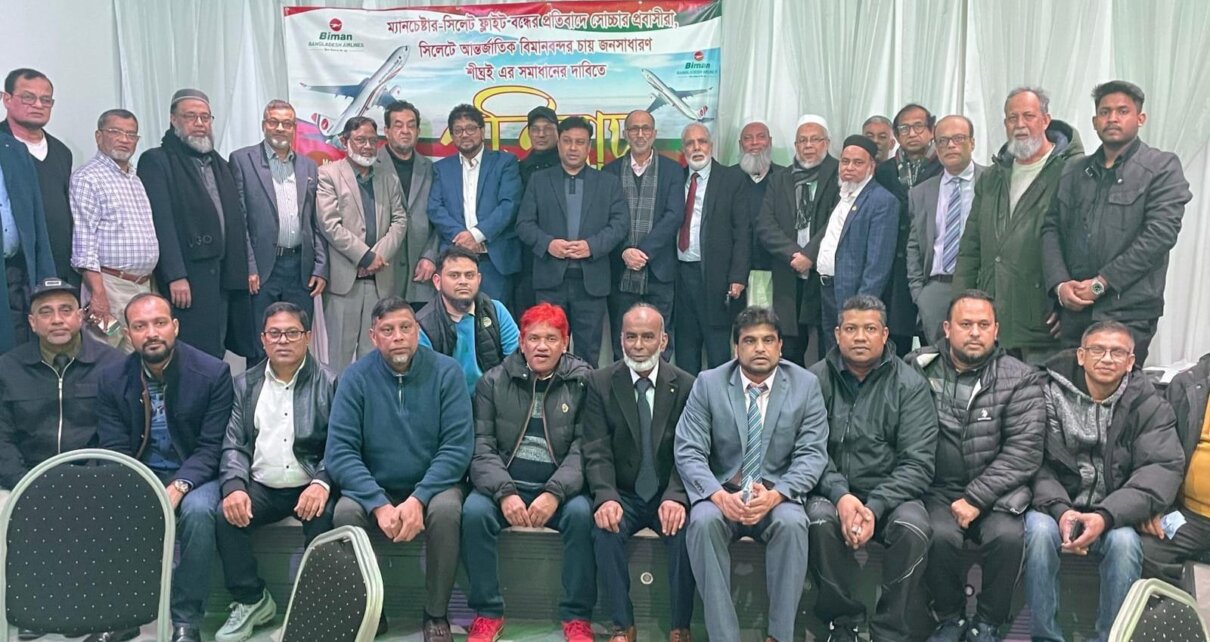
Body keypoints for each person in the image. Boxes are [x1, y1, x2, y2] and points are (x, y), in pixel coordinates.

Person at [675, 306, 829, 642]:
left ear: (780, 346)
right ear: (736, 348)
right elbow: (688, 449)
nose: (759, 348)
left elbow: (812, 454)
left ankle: (779, 635)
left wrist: (776, 495)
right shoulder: (709, 383)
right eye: (749, 341)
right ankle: (723, 637)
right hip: (723, 492)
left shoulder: (805, 386)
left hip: (777, 494)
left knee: (793, 524)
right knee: (702, 521)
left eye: (767, 340)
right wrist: (718, 496)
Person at [324, 296, 472, 642]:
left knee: (447, 511)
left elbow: (457, 448)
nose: (398, 337)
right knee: (344, 512)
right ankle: (371, 611)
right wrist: (378, 504)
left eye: (406, 327)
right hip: (375, 485)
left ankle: (435, 613)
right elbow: (340, 452)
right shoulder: (354, 377)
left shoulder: (447, 372)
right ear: (373, 336)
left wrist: (419, 499)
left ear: (417, 330)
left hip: (434, 484)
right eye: (387, 330)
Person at [1025, 321, 1184, 642]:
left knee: (1125, 544)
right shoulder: (1045, 394)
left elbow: (1160, 468)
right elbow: (1033, 462)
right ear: (1081, 355)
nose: (1107, 358)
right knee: (1038, 534)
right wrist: (1060, 510)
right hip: (1054, 506)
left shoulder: (1148, 404)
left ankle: (1112, 637)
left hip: (1114, 511)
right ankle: (1045, 636)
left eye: (1117, 352)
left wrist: (1106, 515)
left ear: (1131, 361)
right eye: (1098, 350)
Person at [904, 291, 1044, 642]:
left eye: (984, 324)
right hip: (936, 488)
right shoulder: (917, 366)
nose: (975, 332)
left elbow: (1024, 451)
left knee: (1008, 538)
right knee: (938, 536)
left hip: (998, 491)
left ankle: (987, 623)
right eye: (966, 324)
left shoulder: (1021, 377)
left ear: (996, 330)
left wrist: (976, 497)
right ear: (947, 328)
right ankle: (949, 618)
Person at [95, 293, 234, 642]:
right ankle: (123, 614)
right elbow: (114, 448)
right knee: (111, 501)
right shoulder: (112, 378)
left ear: (175, 326)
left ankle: (186, 619)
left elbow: (211, 447)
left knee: (199, 512)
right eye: (141, 326)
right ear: (129, 334)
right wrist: (141, 486)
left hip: (195, 473)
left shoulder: (212, 372)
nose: (152, 333)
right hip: (141, 472)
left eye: (159, 323)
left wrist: (180, 485)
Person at [461, 303, 596, 642]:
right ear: (521, 343)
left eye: (551, 339)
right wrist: (504, 492)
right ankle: (488, 612)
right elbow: (481, 447)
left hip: (560, 489)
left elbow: (585, 449)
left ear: (565, 343)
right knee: (473, 512)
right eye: (534, 338)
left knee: (582, 515)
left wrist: (554, 492)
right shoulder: (493, 382)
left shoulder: (584, 382)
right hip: (505, 485)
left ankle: (576, 616)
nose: (542, 347)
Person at [807, 295, 938, 642]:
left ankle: (889, 630)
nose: (860, 337)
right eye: (851, 329)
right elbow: (809, 451)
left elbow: (918, 463)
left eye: (869, 329)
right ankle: (841, 623)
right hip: (829, 491)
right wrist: (841, 496)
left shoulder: (910, 384)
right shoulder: (814, 380)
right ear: (837, 334)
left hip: (893, 496)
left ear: (885, 334)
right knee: (817, 521)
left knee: (913, 528)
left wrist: (875, 505)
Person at [1041, 81, 1191, 366]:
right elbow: (1051, 228)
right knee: (1069, 388)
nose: (1112, 118)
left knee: (1120, 389)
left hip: (1129, 311)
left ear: (1140, 118)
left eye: (1122, 111)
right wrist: (1060, 286)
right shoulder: (1074, 170)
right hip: (1075, 311)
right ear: (1094, 121)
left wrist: (1102, 283)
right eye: (1105, 112)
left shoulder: (1161, 167)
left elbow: (1159, 236)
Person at [213, 302, 338, 642]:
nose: (283, 340)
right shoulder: (244, 384)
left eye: (292, 333)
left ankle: (312, 610)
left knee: (327, 521)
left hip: (310, 483)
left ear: (308, 337)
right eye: (275, 333)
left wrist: (322, 481)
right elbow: (234, 443)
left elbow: (341, 444)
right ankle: (252, 599)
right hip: (263, 485)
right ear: (263, 339)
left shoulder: (331, 382)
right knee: (225, 515)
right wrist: (234, 486)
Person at [583, 303, 696, 642]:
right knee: (604, 529)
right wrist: (606, 496)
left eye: (647, 337)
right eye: (630, 337)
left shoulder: (687, 385)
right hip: (624, 493)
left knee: (686, 531)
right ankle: (622, 625)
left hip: (666, 491)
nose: (638, 345)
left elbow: (691, 451)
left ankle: (680, 627)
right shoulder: (600, 382)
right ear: (620, 340)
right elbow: (596, 449)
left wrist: (677, 496)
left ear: (663, 340)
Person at [954, 86, 1084, 366]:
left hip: (1044, 323)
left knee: (1040, 393)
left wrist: (1066, 308)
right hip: (993, 323)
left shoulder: (1072, 171)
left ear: (1046, 120)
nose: (1020, 125)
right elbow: (971, 247)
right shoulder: (992, 177)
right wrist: (960, 305)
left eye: (1029, 116)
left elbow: (1083, 246)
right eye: (1012, 118)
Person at [139, 88, 253, 359]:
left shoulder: (219, 163)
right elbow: (162, 223)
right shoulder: (157, 161)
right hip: (187, 279)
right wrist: (175, 275)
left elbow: (237, 220)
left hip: (221, 277)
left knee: (215, 349)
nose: (200, 124)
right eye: (191, 117)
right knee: (188, 352)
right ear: (173, 120)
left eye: (205, 117)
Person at [516, 116, 629, 366]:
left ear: (589, 147)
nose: (573, 148)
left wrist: (592, 246)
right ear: (558, 144)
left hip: (592, 282)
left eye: (580, 142)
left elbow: (620, 224)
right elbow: (524, 224)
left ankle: (585, 392)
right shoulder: (540, 180)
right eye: (567, 141)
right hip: (550, 281)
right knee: (547, 349)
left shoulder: (607, 183)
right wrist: (548, 244)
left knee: (589, 353)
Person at [0, 278, 123, 498]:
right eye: (45, 312)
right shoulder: (7, 368)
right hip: (21, 483)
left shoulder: (113, 365)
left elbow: (118, 438)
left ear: (80, 316)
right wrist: (24, 484)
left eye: (66, 310)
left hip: (96, 483)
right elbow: (2, 439)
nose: (57, 320)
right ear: (32, 322)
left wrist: (95, 480)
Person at [229, 100, 326, 362]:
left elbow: (315, 221)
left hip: (300, 269)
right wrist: (249, 266)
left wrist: (320, 267)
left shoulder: (308, 166)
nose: (280, 128)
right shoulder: (242, 160)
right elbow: (239, 220)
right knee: (261, 344)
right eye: (274, 122)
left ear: (294, 128)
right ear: (264, 125)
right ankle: (259, 389)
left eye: (286, 123)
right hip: (262, 269)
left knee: (297, 341)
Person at [316, 116, 407, 371]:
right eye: (360, 140)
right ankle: (339, 399)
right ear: (345, 141)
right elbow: (329, 224)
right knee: (339, 361)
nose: (367, 146)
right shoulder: (328, 174)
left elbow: (400, 221)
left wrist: (377, 257)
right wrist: (365, 256)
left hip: (380, 282)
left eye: (372, 140)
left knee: (376, 358)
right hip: (345, 283)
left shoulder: (388, 178)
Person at [70, 109, 159, 351]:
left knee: (137, 355)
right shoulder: (88, 178)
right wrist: (98, 294)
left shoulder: (135, 179)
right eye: (116, 132)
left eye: (131, 134)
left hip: (142, 286)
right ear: (98, 136)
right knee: (107, 352)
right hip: (109, 287)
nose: (124, 139)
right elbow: (84, 240)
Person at [754, 114, 840, 365]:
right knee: (790, 346)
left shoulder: (839, 174)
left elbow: (836, 221)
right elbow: (765, 224)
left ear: (827, 143)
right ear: (796, 145)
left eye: (815, 139)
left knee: (827, 343)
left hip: (823, 272)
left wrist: (809, 255)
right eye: (803, 140)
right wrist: (794, 254)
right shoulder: (781, 178)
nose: (808, 145)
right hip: (788, 271)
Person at [602, 110, 683, 362]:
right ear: (625, 134)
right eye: (634, 129)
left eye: (645, 128)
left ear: (654, 134)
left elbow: (673, 216)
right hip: (621, 271)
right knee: (623, 340)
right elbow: (605, 219)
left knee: (660, 341)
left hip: (659, 272)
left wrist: (643, 252)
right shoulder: (609, 172)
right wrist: (625, 251)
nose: (640, 134)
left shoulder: (672, 170)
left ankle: (659, 386)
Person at [428, 104, 522, 307]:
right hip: (454, 260)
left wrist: (477, 235)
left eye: (470, 128)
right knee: (456, 320)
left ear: (482, 130)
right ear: (452, 135)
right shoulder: (441, 168)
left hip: (493, 261)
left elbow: (509, 204)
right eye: (458, 130)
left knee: (494, 319)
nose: (465, 135)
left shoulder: (504, 163)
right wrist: (462, 238)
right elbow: (435, 208)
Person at [674, 123, 749, 374]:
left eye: (702, 142)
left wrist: (738, 276)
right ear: (683, 149)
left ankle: (719, 399)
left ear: (711, 146)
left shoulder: (732, 179)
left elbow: (742, 232)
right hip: (680, 275)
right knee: (685, 348)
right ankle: (688, 398)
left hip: (716, 278)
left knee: (718, 350)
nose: (696, 148)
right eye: (690, 143)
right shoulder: (675, 179)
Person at [814, 136, 898, 354]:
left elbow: (878, 264)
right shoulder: (842, 195)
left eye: (858, 162)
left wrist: (862, 305)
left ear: (871, 166)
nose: (849, 167)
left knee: (854, 352)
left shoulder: (881, 201)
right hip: (828, 289)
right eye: (845, 161)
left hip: (853, 293)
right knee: (832, 351)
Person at [906, 115, 985, 345]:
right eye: (942, 140)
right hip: (936, 289)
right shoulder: (921, 192)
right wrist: (920, 293)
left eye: (958, 138)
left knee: (978, 353)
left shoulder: (993, 181)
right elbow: (914, 245)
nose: (950, 145)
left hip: (980, 285)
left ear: (972, 142)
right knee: (937, 358)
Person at [874, 104, 943, 356]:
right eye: (904, 128)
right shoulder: (883, 172)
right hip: (894, 271)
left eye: (918, 126)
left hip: (931, 267)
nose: (912, 133)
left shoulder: (944, 168)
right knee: (895, 344)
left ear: (931, 130)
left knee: (934, 345)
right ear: (896, 135)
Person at [1141, 350, 1210, 584]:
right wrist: (1154, 506)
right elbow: (1160, 452)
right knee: (1146, 549)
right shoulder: (1189, 384)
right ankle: (1178, 607)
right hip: (1190, 516)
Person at [2, 69, 74, 286]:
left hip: (57, 269)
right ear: (6, 99)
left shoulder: (61, 152)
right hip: (12, 273)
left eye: (46, 100)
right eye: (28, 97)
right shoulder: (3, 146)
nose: (38, 105)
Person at [417, 245, 519, 395]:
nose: (463, 281)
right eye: (454, 275)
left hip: (494, 396)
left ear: (479, 280)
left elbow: (517, 361)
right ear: (437, 282)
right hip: (446, 400)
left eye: (469, 275)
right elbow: (425, 381)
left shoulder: (496, 310)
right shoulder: (422, 325)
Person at [380, 99, 439, 310]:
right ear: (386, 131)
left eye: (411, 125)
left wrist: (431, 256)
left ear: (418, 131)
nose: (405, 131)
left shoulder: (431, 169)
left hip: (422, 275)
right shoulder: (371, 167)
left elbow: (441, 219)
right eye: (398, 125)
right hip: (383, 273)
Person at [0, 128, 54, 352]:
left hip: (17, 272)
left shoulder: (14, 149)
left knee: (20, 348)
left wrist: (46, 277)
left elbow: (36, 217)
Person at [514, 106, 561, 314]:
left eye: (548, 128)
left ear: (558, 131)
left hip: (565, 255)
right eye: (535, 129)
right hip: (529, 257)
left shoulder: (569, 167)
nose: (541, 134)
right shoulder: (519, 169)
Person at [733, 117, 783, 307]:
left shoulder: (785, 178)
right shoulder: (727, 179)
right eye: (748, 138)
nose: (754, 143)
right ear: (740, 144)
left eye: (761, 137)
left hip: (776, 268)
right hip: (736, 273)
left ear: (770, 142)